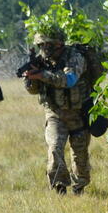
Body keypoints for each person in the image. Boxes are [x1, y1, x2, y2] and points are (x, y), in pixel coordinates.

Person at [23, 26, 92, 195]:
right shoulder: (42, 61)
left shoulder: (75, 57)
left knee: (80, 154)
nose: (44, 49)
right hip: (55, 113)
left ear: (58, 44)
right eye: (41, 45)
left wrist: (42, 75)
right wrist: (31, 79)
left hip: (78, 113)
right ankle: (59, 186)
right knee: (54, 148)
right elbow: (33, 90)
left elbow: (69, 80)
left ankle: (79, 187)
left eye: (47, 44)